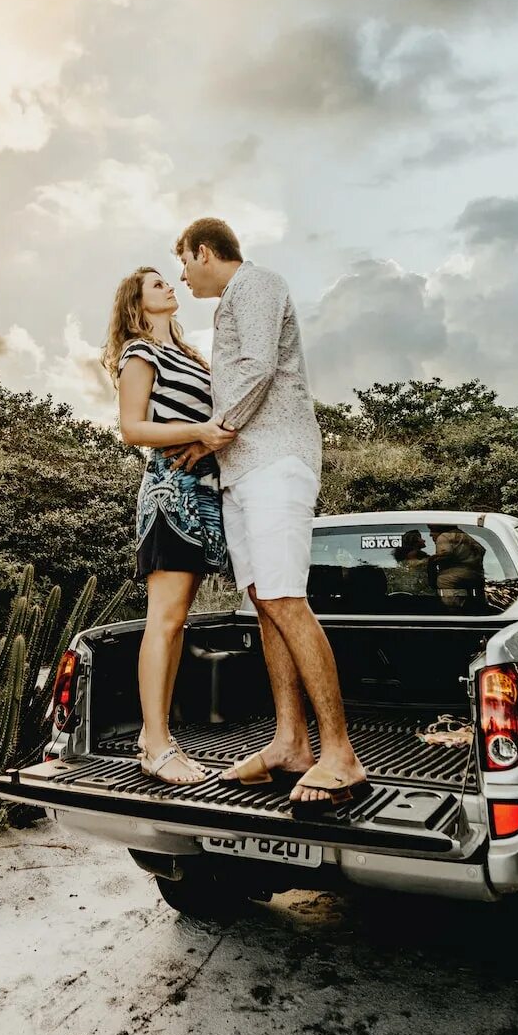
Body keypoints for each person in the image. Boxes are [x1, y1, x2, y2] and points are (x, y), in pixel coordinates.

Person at [169, 218, 370, 808]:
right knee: (264, 603)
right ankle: (290, 744)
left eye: (184, 260)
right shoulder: (233, 299)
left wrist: (215, 432)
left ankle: (341, 754)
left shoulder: (255, 284)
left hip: (276, 461)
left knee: (285, 598)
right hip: (245, 470)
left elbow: (257, 366)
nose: (182, 274)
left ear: (206, 251)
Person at [102, 267, 236, 785]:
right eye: (157, 284)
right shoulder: (141, 353)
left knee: (177, 621)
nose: (169, 287)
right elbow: (132, 428)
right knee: (165, 619)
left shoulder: (189, 356)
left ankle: (155, 738)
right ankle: (154, 745)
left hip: (204, 494)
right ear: (136, 303)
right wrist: (201, 429)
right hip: (169, 493)